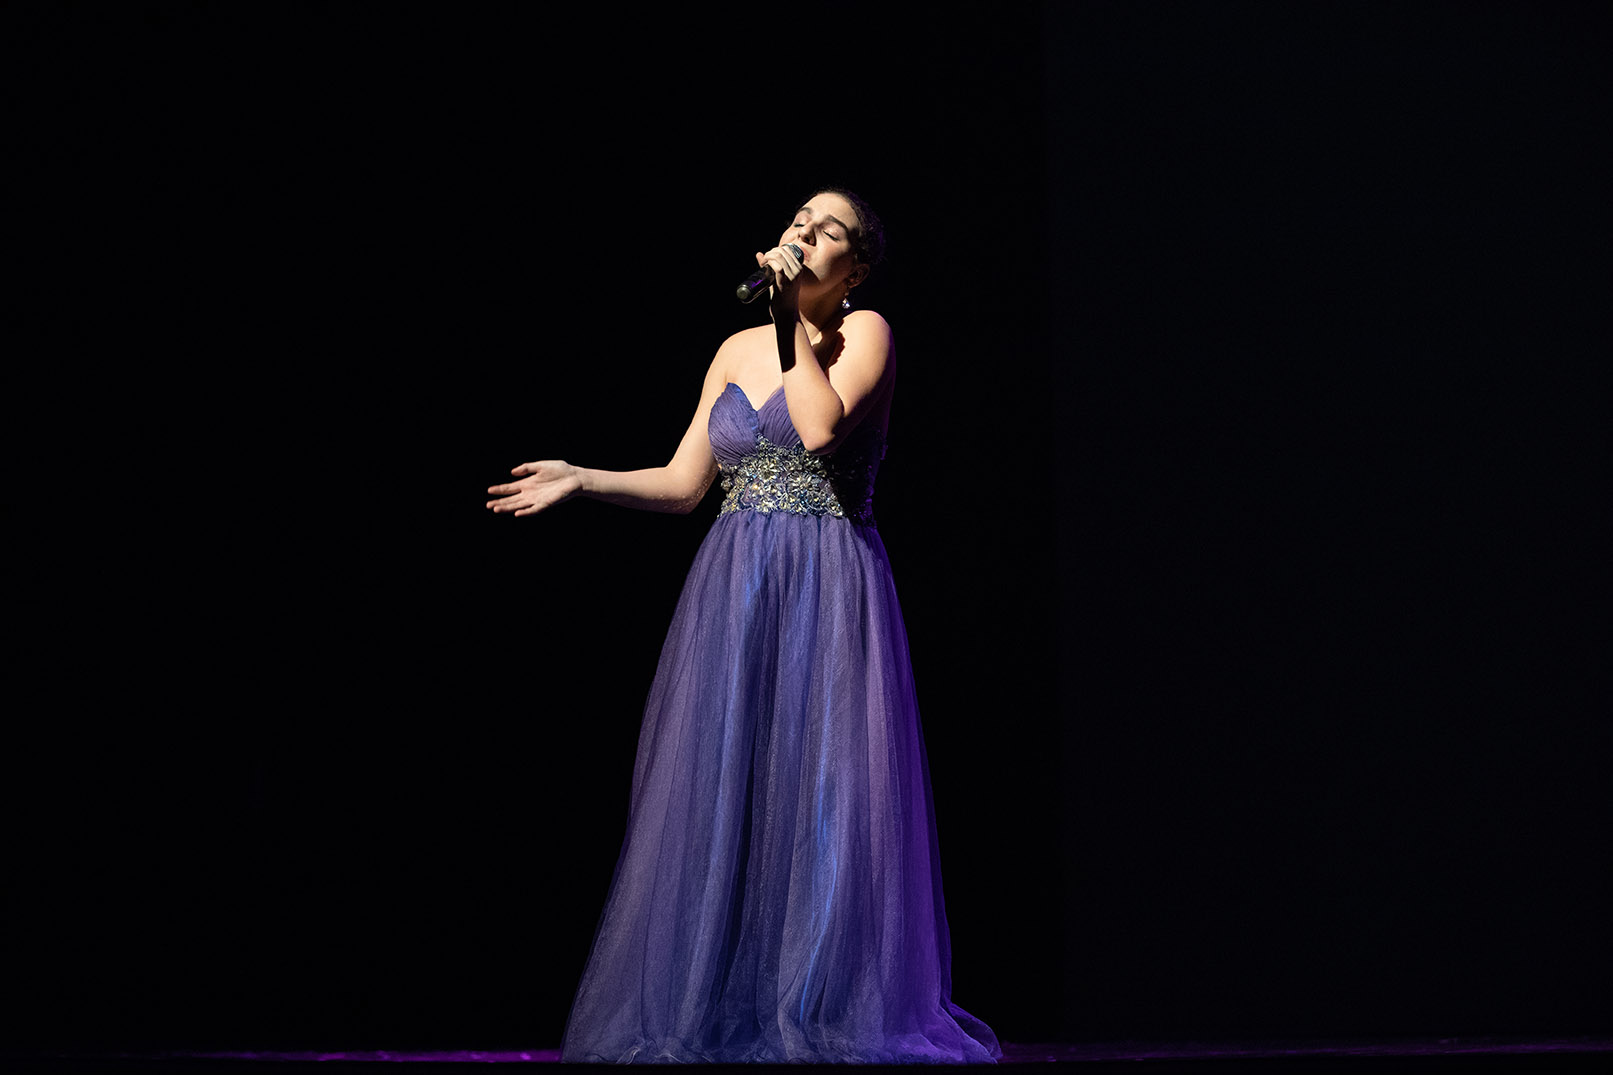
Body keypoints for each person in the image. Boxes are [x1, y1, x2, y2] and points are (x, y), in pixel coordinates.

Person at [485, 188, 1001, 1064]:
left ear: (853, 268)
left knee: (821, 796)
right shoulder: (733, 348)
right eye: (798, 220)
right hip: (734, 587)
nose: (802, 232)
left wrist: (787, 318)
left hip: (827, 588)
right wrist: (584, 477)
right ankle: (711, 1008)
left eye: (825, 230)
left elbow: (819, 426)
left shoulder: (865, 332)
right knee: (722, 786)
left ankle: (819, 1008)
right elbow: (685, 484)